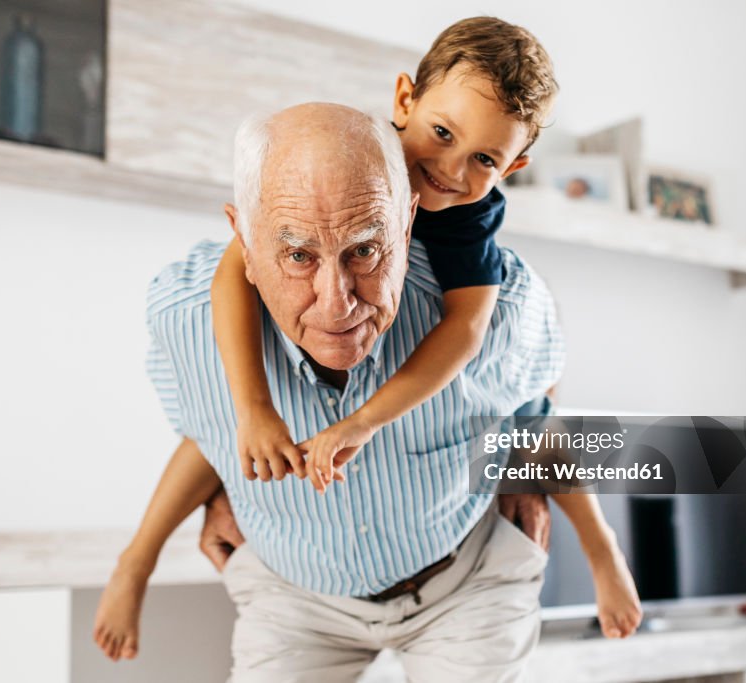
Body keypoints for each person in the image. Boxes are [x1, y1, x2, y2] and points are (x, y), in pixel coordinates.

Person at [94, 103, 641, 680]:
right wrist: (143, 557)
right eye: (299, 256)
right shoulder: (186, 322)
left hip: (466, 578)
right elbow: (205, 438)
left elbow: (536, 413)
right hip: (295, 598)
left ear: (405, 224)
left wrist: (597, 545)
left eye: (364, 250)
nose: (337, 303)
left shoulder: (499, 309)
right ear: (245, 243)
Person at [211, 17, 553, 491]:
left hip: (492, 405)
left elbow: (467, 329)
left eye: (485, 159)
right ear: (405, 101)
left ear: (512, 167)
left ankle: (599, 547)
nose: (450, 170)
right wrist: (255, 409)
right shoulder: (353, 158)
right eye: (443, 132)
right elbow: (233, 270)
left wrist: (365, 421)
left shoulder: (471, 218)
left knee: (537, 402)